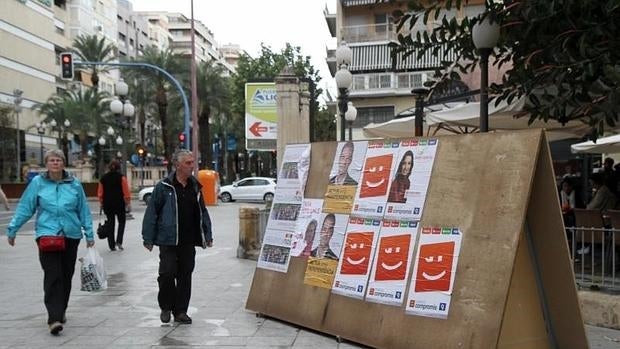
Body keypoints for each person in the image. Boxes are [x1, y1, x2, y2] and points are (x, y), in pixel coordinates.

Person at [6, 149, 94, 335]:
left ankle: (60, 309)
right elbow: (25, 207)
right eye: (52, 160)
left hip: (70, 235)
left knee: (66, 275)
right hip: (47, 235)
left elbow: (83, 210)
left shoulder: (74, 184)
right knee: (53, 275)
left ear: (63, 163)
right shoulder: (38, 183)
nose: (55, 163)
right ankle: (53, 318)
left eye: (58, 160)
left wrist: (89, 234)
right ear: (47, 164)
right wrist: (13, 229)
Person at [142, 149, 213, 325]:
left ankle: (181, 311)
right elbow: (152, 213)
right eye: (188, 163)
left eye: (192, 162)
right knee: (166, 274)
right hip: (168, 240)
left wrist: (208, 233)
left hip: (188, 240)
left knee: (185, 275)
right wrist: (148, 238)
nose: (192, 166)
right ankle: (166, 306)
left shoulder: (195, 187)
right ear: (178, 165)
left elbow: (202, 211)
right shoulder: (163, 187)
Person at [97, 159, 131, 251]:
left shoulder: (103, 178)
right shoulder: (121, 178)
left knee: (110, 223)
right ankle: (119, 241)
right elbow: (126, 191)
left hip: (107, 204)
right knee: (122, 222)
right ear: (119, 168)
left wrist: (101, 202)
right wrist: (128, 202)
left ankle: (111, 245)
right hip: (119, 203)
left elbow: (100, 192)